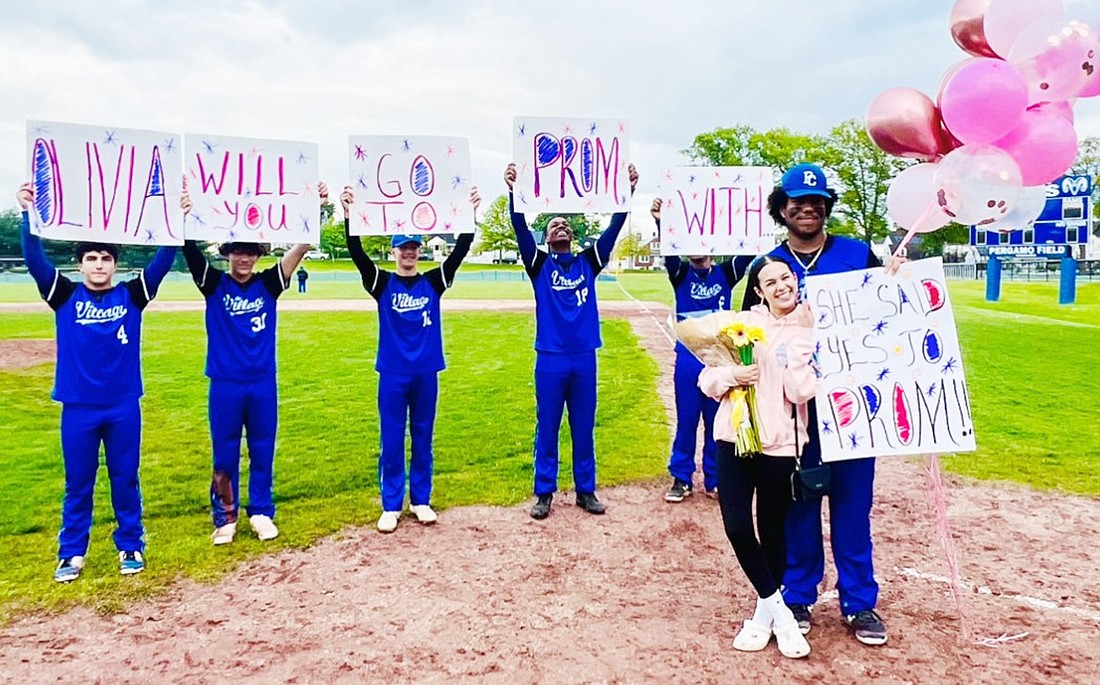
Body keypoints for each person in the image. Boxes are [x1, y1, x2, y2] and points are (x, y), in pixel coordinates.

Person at [742, 162, 900, 646]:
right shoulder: (765, 264)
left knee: (852, 506)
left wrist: (897, 279)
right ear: (782, 209)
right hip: (794, 412)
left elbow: (891, 313)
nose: (806, 208)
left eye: (815, 201)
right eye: (796, 202)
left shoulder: (857, 253)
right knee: (799, 506)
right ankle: (799, 594)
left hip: (853, 404)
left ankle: (859, 602)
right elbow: (746, 332)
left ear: (826, 206)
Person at [16, 182, 177, 582]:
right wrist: (27, 214)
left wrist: (178, 217)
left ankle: (131, 545)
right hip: (78, 407)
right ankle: (71, 552)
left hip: (123, 405)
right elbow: (34, 257)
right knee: (79, 483)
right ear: (80, 264)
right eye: (91, 258)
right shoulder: (63, 294)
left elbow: (164, 257)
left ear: (116, 265)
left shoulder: (132, 295)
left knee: (125, 478)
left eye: (106, 258)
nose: (99, 265)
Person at [179, 180, 327, 545]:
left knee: (262, 447)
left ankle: (261, 511)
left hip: (262, 382)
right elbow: (189, 248)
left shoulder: (269, 284)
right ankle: (225, 518)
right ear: (227, 254)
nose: (244, 259)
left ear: (258, 256)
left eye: (250, 253)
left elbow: (302, 246)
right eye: (237, 252)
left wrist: (317, 208)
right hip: (225, 384)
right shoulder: (212, 284)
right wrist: (184, 213)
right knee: (225, 450)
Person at [340, 185, 480, 533]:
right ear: (393, 250)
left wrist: (469, 215)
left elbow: (460, 251)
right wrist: (347, 217)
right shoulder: (381, 282)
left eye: (414, 247)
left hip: (425, 373)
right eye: (403, 247)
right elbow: (357, 254)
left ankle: (420, 500)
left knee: (422, 436)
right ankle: (390, 504)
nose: (409, 253)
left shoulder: (434, 282)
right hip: (392, 373)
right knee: (391, 438)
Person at [503, 162, 639, 520]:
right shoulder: (538, 264)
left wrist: (628, 191)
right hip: (549, 357)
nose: (560, 225)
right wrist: (514, 191)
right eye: (552, 225)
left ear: (572, 236)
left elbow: (613, 228)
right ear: (546, 239)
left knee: (583, 424)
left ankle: (585, 490)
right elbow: (519, 226)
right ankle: (544, 492)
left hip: (583, 356)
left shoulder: (587, 262)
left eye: (564, 223)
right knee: (547, 425)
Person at [698, 256, 815, 659]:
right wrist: (734, 376)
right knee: (736, 525)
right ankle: (781, 615)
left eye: (787, 277)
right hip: (733, 437)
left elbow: (800, 393)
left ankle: (763, 616)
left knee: (772, 530)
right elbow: (707, 378)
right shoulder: (741, 324)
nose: (782, 286)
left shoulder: (810, 324)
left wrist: (800, 346)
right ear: (759, 290)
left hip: (779, 444)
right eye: (771, 281)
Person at [650, 197, 752, 503]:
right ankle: (681, 477)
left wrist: (750, 205)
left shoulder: (727, 271)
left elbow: (748, 247)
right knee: (687, 419)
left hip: (719, 358)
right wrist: (660, 220)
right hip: (689, 358)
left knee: (717, 420)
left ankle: (715, 478)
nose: (697, 247)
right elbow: (668, 250)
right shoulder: (680, 272)